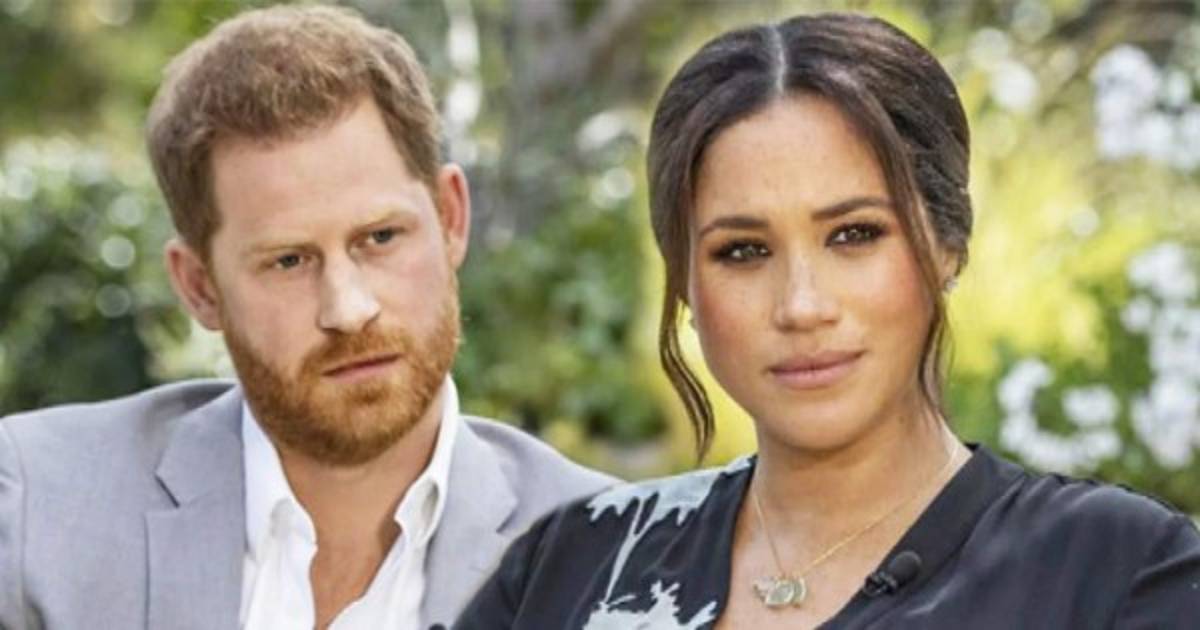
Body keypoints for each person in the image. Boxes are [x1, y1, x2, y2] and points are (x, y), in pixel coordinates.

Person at [454, 12, 1200, 629]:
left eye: (853, 235)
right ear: (684, 282)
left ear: (946, 243)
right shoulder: (571, 568)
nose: (802, 305)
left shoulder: (1115, 572)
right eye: (743, 251)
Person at [0, 5, 615, 630]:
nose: (349, 310)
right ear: (200, 287)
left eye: (380, 238)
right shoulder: (37, 508)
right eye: (288, 261)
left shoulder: (610, 556)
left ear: (451, 218)